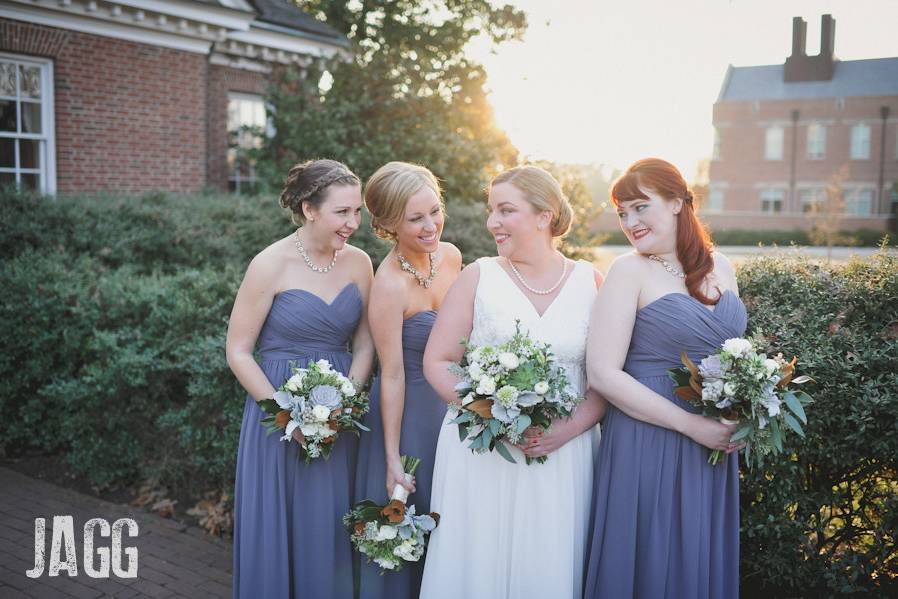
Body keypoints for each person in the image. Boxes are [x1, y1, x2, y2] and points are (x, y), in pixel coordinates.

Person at [419, 165, 606, 599]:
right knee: (476, 561)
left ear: (545, 215)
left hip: (562, 453)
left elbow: (603, 380)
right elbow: (439, 360)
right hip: (484, 450)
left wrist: (566, 430)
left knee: (547, 562)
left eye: (506, 210)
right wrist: (493, 419)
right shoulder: (478, 276)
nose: (492, 223)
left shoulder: (591, 283)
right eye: (491, 211)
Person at [583, 157, 745, 599]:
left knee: (697, 558)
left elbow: (734, 359)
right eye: (622, 213)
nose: (629, 222)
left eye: (640, 207)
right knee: (651, 561)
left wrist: (745, 416)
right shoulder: (628, 271)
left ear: (677, 202)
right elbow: (601, 372)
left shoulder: (724, 267)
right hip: (648, 438)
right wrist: (691, 424)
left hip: (713, 445)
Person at [226, 159, 375, 599]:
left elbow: (365, 345)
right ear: (310, 209)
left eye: (356, 213)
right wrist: (285, 415)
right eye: (342, 212)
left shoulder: (360, 263)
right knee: (280, 525)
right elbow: (237, 350)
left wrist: (344, 403)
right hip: (276, 417)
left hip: (338, 419)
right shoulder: (269, 264)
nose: (353, 223)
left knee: (327, 527)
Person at [354, 161, 462, 598]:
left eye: (434, 211)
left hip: (453, 409)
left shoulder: (452, 256)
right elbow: (392, 375)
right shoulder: (389, 286)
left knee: (453, 522)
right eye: (415, 219)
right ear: (387, 224)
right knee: (409, 522)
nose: (430, 225)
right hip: (410, 416)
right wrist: (392, 457)